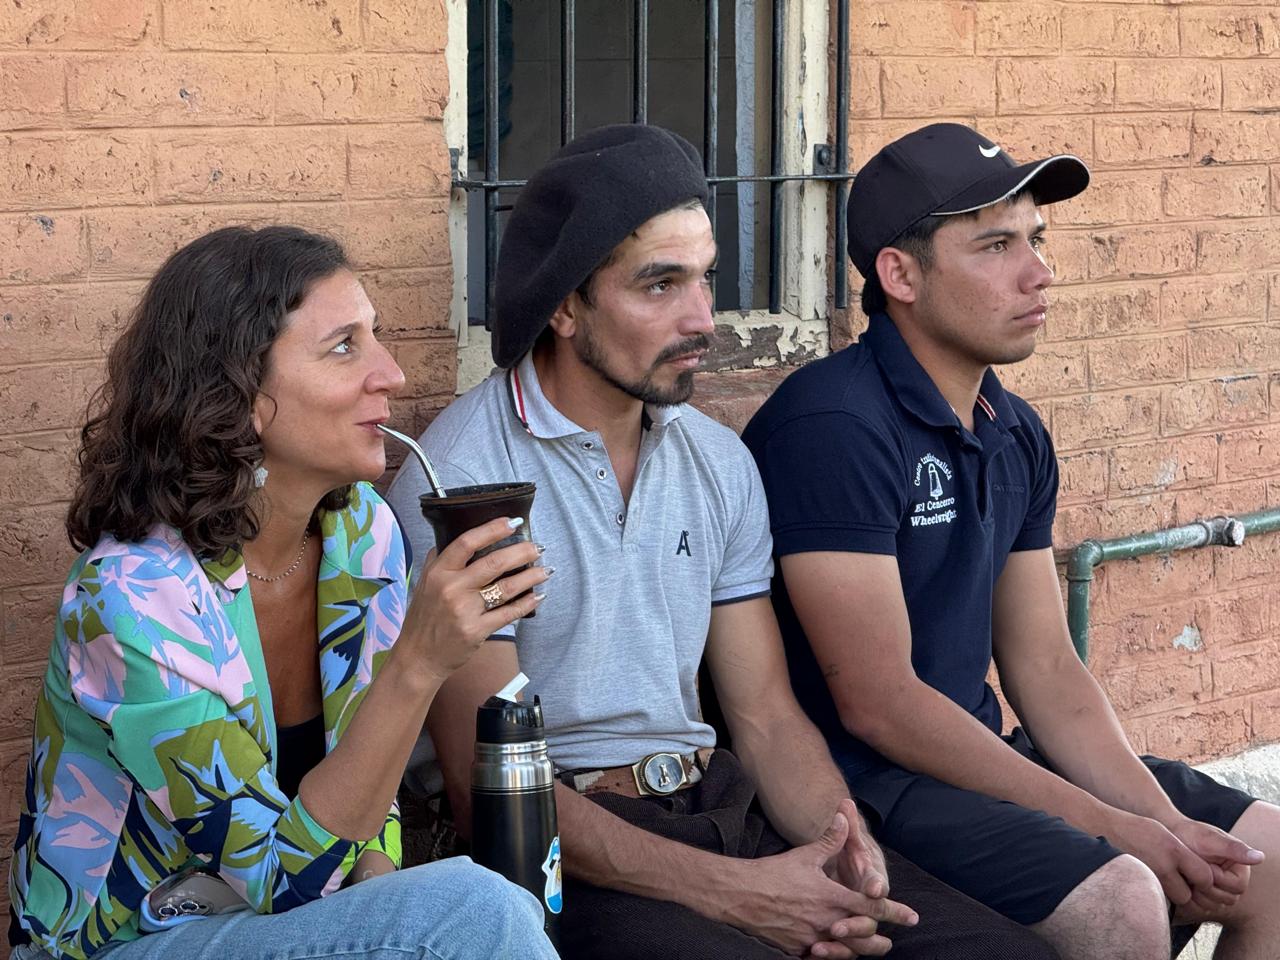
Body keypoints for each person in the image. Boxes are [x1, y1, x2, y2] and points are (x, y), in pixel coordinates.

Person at [387, 123, 1060, 960]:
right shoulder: (466, 484)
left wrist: (844, 845)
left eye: (705, 278)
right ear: (565, 304)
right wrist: (741, 895)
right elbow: (488, 787)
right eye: (660, 285)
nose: (702, 318)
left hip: (720, 805)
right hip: (563, 854)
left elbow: (765, 716)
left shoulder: (715, 460)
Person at [741, 122, 1280, 960]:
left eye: (1036, 239)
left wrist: (1160, 818)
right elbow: (879, 705)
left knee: (1268, 861)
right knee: (1122, 903)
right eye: (996, 246)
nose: (1039, 272)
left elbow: (1046, 666)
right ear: (901, 275)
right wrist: (1115, 830)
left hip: (981, 755)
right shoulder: (833, 426)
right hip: (873, 785)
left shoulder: (1013, 428)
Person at [7, 226, 559, 960]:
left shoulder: (361, 533)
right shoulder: (133, 599)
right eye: (344, 347)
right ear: (239, 394)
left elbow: (371, 790)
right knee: (478, 908)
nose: (392, 374)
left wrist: (384, 905)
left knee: (458, 914)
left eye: (376, 337)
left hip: (286, 924)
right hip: (129, 940)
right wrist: (421, 662)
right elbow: (278, 874)